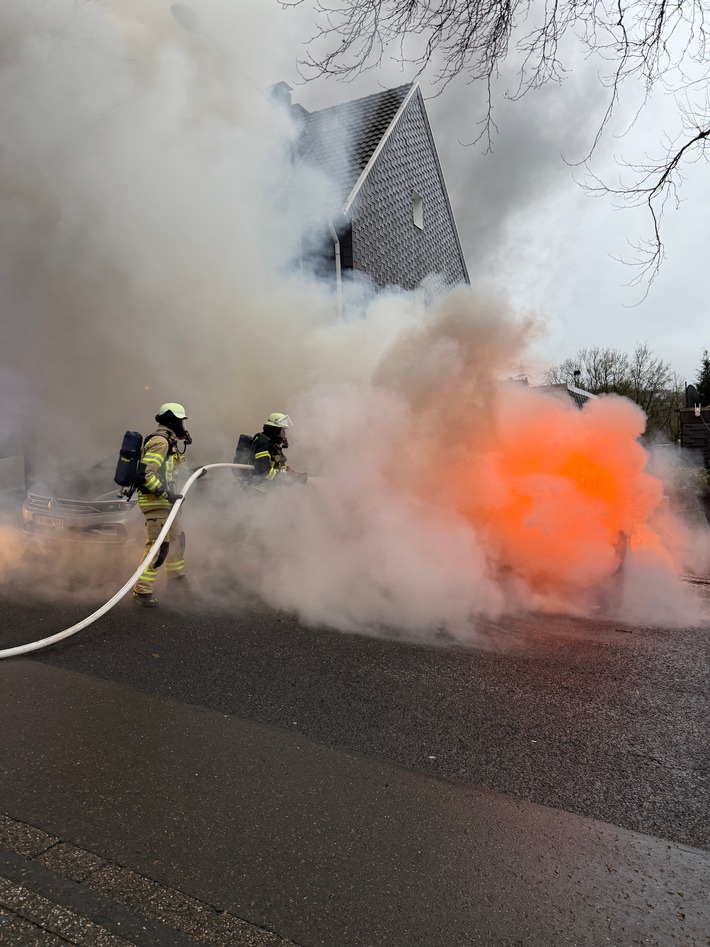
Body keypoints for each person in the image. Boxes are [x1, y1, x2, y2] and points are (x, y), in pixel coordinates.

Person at [132, 402, 192, 607]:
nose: (183, 426)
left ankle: (177, 581)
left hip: (166, 504)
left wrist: (194, 473)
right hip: (156, 503)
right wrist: (166, 494)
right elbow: (145, 475)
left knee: (177, 540)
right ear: (171, 421)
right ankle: (142, 590)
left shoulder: (169, 442)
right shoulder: (161, 442)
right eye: (180, 421)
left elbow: (170, 472)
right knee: (158, 547)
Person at [237, 412, 307, 491]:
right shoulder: (263, 443)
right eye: (282, 430)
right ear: (275, 430)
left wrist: (288, 473)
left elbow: (277, 464)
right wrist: (282, 478)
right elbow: (263, 470)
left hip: (266, 491)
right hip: (257, 491)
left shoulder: (272, 444)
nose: (284, 434)